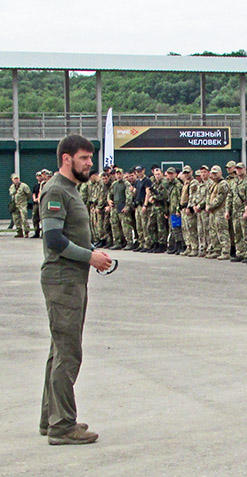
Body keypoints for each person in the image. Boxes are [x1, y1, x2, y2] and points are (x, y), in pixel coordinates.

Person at [39, 134, 112, 445]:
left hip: (72, 278)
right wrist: (89, 257)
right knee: (68, 353)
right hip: (63, 280)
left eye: (90, 158)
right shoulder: (56, 189)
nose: (89, 163)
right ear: (66, 159)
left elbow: (72, 235)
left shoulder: (70, 189)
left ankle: (50, 419)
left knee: (59, 350)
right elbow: (54, 240)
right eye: (84, 158)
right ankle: (62, 426)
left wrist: (93, 253)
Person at [206, 165, 231, 260]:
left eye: (216, 173)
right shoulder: (213, 184)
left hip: (220, 210)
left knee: (222, 230)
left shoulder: (223, 184)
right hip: (213, 211)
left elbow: (220, 198)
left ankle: (225, 251)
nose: (214, 175)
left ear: (220, 173)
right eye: (213, 173)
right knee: (213, 231)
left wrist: (210, 206)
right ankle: (216, 249)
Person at [9, 173, 32, 237]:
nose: (16, 180)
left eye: (17, 178)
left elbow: (29, 194)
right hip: (15, 204)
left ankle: (26, 231)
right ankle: (19, 232)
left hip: (22, 204)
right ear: (12, 180)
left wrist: (25, 201)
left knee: (24, 218)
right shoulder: (12, 187)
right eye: (15, 179)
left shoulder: (24, 186)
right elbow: (11, 194)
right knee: (16, 219)